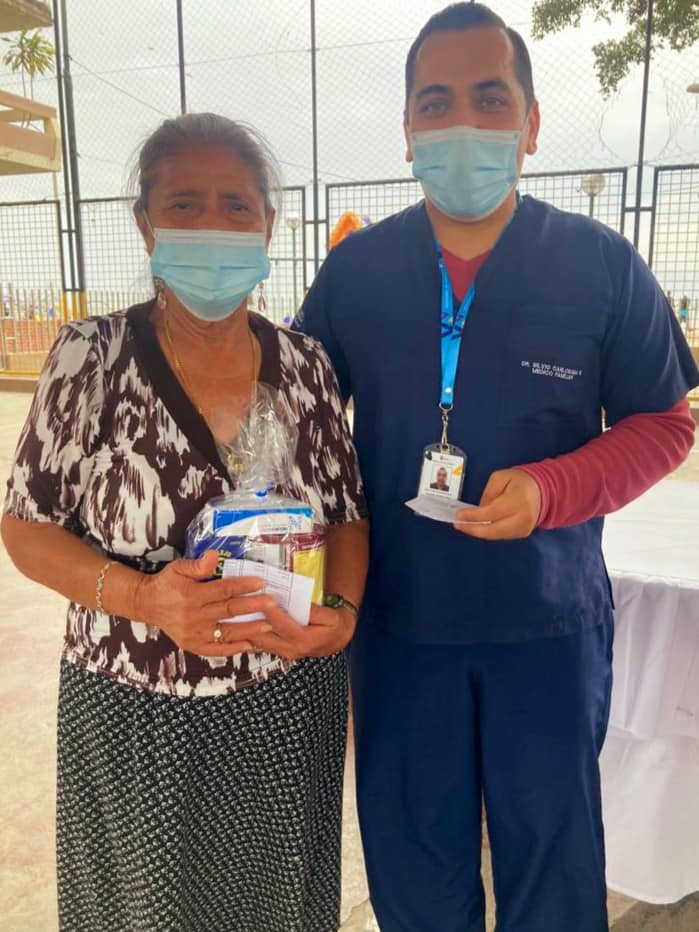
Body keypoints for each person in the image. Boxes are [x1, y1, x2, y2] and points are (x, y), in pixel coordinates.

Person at [294, 5, 698, 931]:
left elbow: (662, 425)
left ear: (530, 123)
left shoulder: (599, 266)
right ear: (406, 130)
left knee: (551, 862)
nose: (463, 124)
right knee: (412, 865)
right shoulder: (356, 273)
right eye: (435, 103)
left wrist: (552, 488)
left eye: (490, 99)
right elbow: (296, 427)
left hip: (544, 632)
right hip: (398, 625)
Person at [1, 113, 369, 932]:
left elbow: (347, 514)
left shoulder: (305, 364)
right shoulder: (90, 357)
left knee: (277, 907)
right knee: (151, 910)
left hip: (286, 702)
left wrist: (341, 617)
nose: (212, 225)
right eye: (184, 204)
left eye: (236, 205)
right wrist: (144, 599)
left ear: (268, 225)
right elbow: (26, 528)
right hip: (138, 710)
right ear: (146, 223)